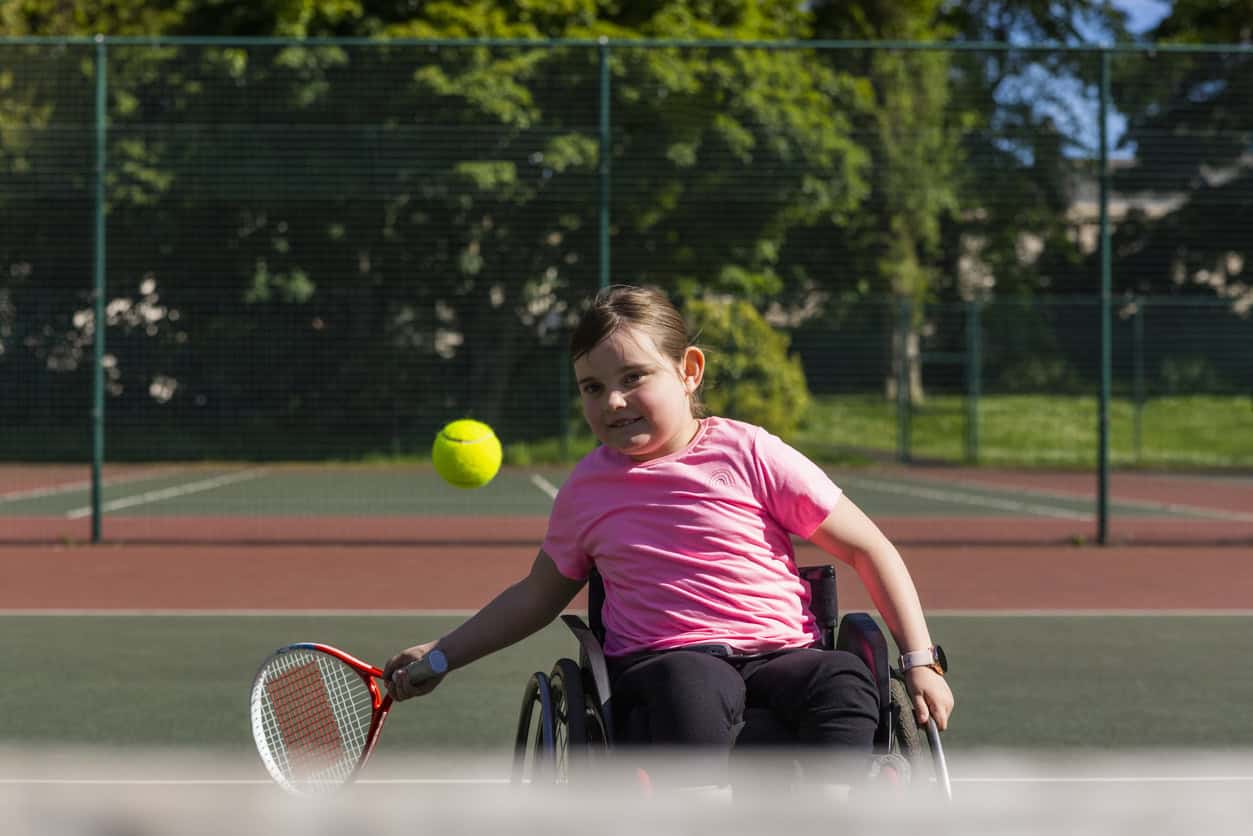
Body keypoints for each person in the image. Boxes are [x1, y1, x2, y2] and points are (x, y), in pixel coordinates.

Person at [383, 284, 954, 786]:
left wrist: (919, 659)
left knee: (846, 678)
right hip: (668, 663)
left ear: (689, 371)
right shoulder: (588, 490)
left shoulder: (750, 451)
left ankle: (831, 813)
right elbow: (536, 596)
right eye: (591, 387)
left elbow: (868, 546)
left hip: (784, 655)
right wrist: (443, 654)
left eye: (634, 378)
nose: (613, 401)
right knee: (690, 685)